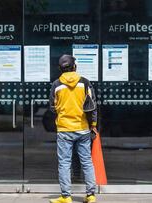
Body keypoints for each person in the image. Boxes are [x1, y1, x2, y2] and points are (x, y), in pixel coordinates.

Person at [49, 54, 98, 203]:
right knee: (87, 162)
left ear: (60, 69)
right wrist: (93, 126)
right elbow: (92, 106)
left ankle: (66, 196)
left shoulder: (56, 85)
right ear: (74, 67)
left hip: (64, 129)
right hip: (83, 128)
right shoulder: (85, 83)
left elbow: (52, 107)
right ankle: (90, 195)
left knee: (64, 163)